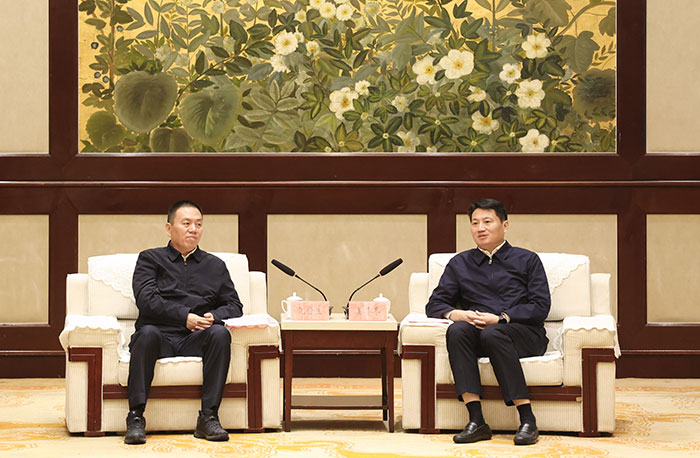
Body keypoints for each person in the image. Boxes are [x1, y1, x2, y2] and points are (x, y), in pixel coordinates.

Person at [426, 198, 550, 446]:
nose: (480, 228)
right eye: (475, 223)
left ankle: (527, 419)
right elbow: (435, 304)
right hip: (480, 334)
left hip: (524, 335)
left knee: (494, 333)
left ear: (505, 225)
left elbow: (540, 306)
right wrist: (459, 314)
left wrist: (502, 318)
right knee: (458, 331)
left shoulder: (527, 260)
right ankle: (476, 420)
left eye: (487, 222)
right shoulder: (460, 263)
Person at [125, 200, 243, 445]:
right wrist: (184, 316)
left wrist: (214, 316)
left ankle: (208, 417)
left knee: (220, 334)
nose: (193, 229)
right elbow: (146, 301)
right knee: (146, 333)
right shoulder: (150, 259)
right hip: (159, 336)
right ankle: (135, 417)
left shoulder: (215, 266)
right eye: (186, 223)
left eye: (198, 224)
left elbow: (234, 305)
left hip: (195, 338)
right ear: (169, 228)